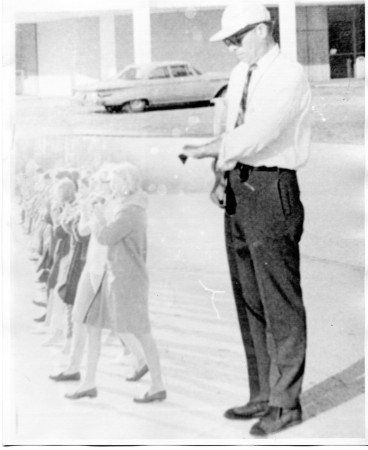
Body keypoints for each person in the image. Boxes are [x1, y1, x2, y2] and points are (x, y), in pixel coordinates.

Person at [181, 0, 311, 436]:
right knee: (250, 299)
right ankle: (262, 394)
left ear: (263, 29)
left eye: (237, 38)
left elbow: (260, 133)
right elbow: (232, 122)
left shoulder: (288, 74)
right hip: (238, 185)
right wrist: (218, 175)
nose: (232, 47)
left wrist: (209, 149)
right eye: (228, 41)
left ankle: (286, 404)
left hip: (272, 188)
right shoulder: (241, 74)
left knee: (279, 302)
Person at [65, 162, 166, 403]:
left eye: (116, 181)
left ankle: (157, 385)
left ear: (127, 182)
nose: (112, 185)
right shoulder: (128, 206)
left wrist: (97, 216)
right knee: (98, 326)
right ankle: (89, 382)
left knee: (141, 332)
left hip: (126, 278)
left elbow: (106, 236)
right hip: (117, 275)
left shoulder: (130, 210)